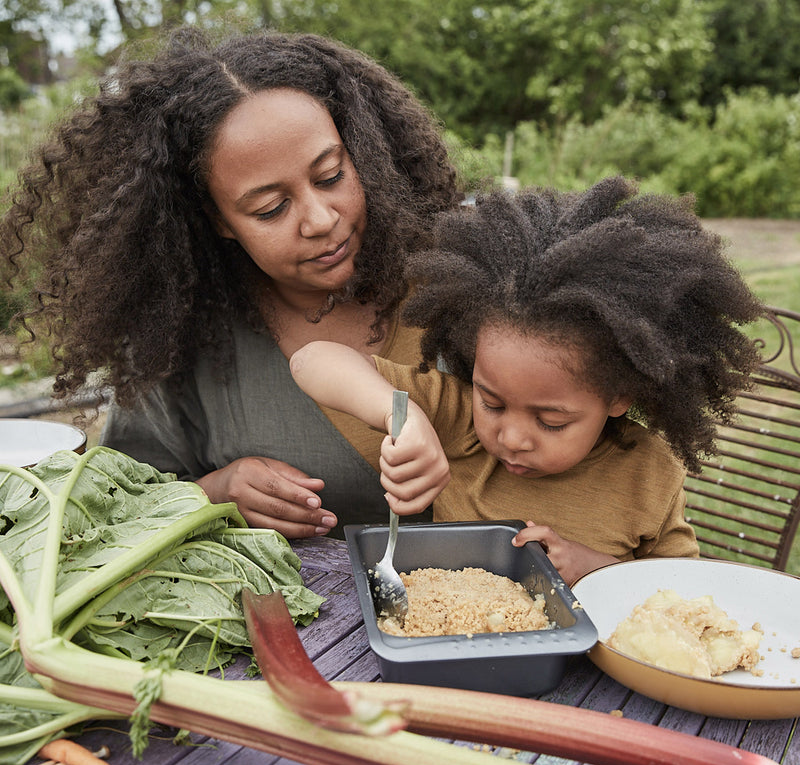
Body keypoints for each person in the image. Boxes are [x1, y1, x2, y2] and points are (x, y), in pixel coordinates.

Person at [0, 26, 459, 539]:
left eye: (330, 176)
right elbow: (110, 506)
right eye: (271, 208)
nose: (320, 219)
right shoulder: (178, 340)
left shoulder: (461, 287)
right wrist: (212, 494)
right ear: (217, 220)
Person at [290, 176, 766, 584]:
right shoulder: (457, 421)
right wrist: (404, 417)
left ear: (620, 396)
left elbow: (681, 592)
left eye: (551, 421)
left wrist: (598, 570)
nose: (512, 437)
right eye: (493, 403)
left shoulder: (651, 474)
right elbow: (312, 360)